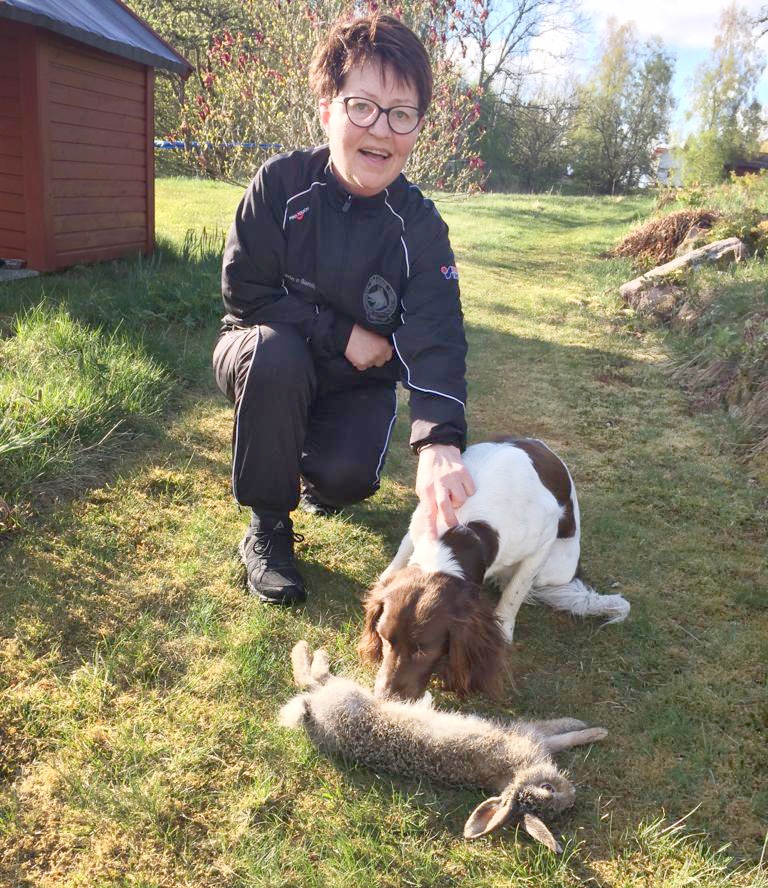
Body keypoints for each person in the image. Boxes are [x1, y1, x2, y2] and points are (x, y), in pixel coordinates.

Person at [213, 13, 475, 606]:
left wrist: (439, 441)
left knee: (347, 480)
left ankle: (311, 469)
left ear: (417, 127)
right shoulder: (280, 185)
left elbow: (436, 332)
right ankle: (267, 527)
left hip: (354, 382)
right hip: (260, 350)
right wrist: (338, 331)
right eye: (362, 107)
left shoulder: (421, 227)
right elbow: (246, 293)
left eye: (401, 114)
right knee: (276, 355)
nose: (380, 130)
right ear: (327, 110)